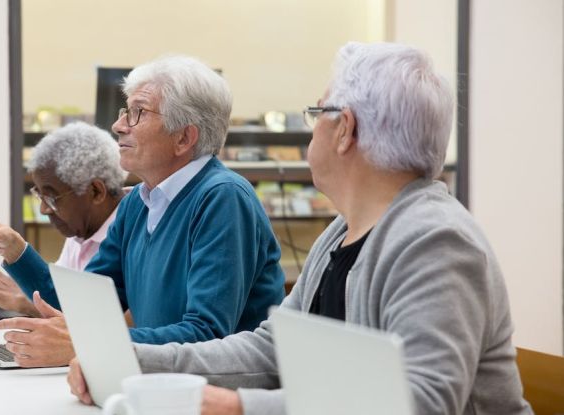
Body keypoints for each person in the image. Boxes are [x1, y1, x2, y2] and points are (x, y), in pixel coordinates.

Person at [67, 42, 531, 414]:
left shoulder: (436, 241)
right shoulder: (341, 233)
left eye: (319, 113)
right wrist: (134, 360)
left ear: (345, 129)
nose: (312, 130)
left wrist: (238, 406)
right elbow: (273, 348)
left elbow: (420, 402)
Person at [0, 55, 286, 368]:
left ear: (184, 137)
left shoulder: (222, 198)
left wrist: (90, 344)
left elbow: (208, 336)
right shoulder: (138, 203)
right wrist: (15, 250)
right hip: (153, 384)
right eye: (125, 111)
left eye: (138, 112)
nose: (118, 125)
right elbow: (85, 304)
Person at [0, 121, 127, 318]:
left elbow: (94, 317)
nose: (43, 209)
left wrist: (22, 301)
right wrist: (16, 274)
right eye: (39, 196)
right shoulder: (83, 229)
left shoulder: (132, 231)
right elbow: (58, 294)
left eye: (51, 198)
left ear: (96, 191)